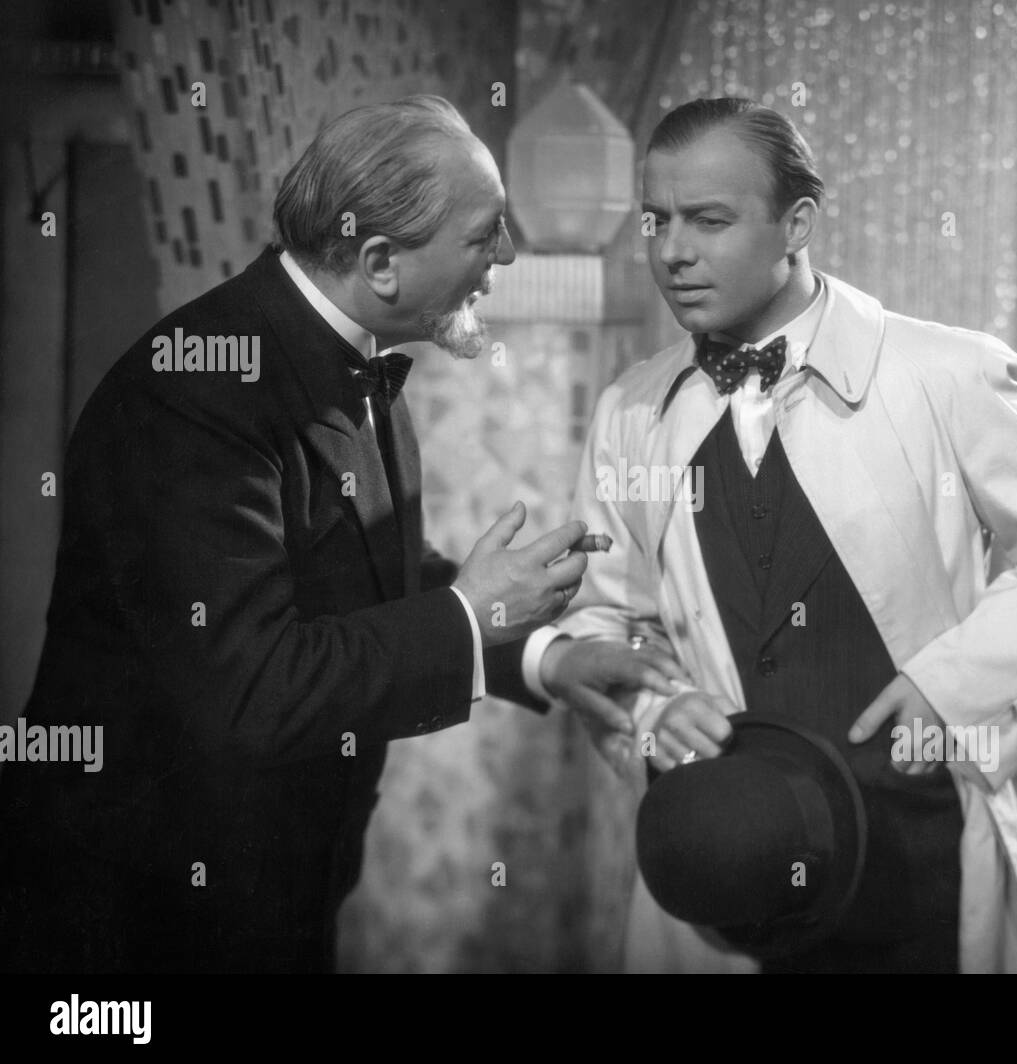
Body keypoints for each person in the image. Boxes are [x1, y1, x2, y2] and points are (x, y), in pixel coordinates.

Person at [0, 95, 679, 974]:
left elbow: (371, 576)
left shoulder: (357, 359)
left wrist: (548, 653)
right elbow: (255, 688)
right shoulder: (191, 397)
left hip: (276, 893)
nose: (508, 255)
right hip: (132, 915)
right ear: (380, 262)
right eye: (486, 234)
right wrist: (471, 615)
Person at [559, 97, 1017, 973]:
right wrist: (656, 712)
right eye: (657, 221)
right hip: (735, 859)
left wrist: (954, 691)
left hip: (918, 851)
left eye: (709, 221)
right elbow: (607, 626)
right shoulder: (630, 411)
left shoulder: (949, 376)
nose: (672, 252)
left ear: (797, 223)